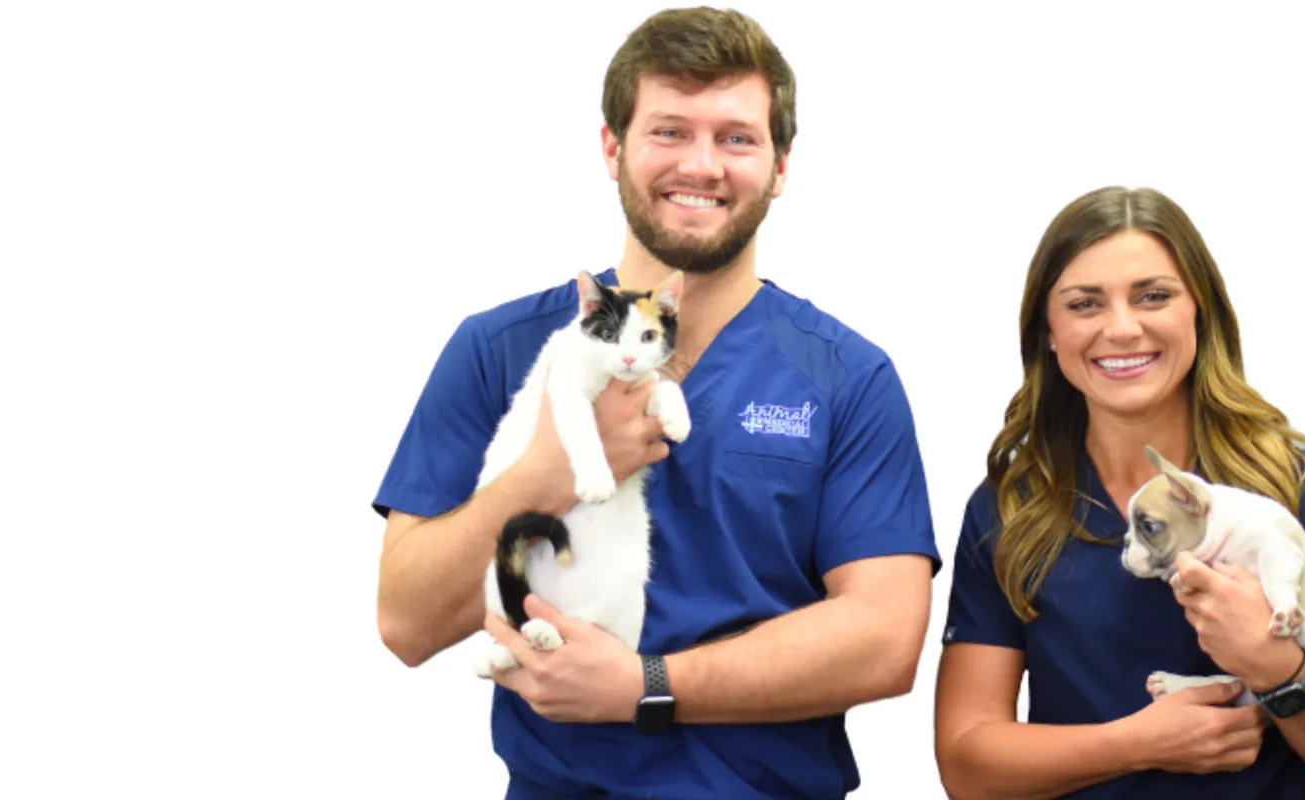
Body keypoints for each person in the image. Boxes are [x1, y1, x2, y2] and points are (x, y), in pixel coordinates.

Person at [369, 8, 938, 798]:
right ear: (612, 147)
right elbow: (406, 622)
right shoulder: (497, 349)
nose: (702, 165)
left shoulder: (847, 377)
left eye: (736, 137)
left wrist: (649, 683)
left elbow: (885, 641)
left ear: (781, 165)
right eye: (669, 131)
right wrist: (550, 471)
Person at [932, 186, 1305, 798]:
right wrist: (1140, 742)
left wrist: (1279, 670)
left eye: (1154, 296)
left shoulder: (1300, 493)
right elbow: (967, 766)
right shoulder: (1011, 511)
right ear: (1048, 332)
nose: (1122, 327)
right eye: (1084, 304)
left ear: (1201, 312)